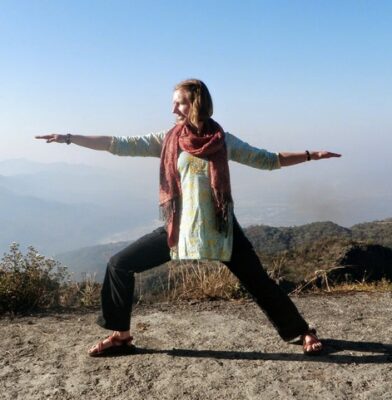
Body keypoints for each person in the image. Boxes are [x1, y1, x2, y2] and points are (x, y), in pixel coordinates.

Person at [36, 78, 341, 357]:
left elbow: (268, 160)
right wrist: (69, 138)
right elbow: (117, 144)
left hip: (220, 227)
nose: (173, 108)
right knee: (119, 264)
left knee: (258, 281)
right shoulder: (167, 139)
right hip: (179, 227)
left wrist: (310, 155)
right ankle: (120, 336)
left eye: (179, 102)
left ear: (196, 103)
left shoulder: (223, 139)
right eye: (173, 102)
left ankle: (301, 332)